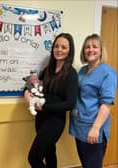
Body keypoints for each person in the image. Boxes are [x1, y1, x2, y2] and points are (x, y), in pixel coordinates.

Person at [24, 33, 78, 168]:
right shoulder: (47, 70)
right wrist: (26, 92)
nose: (59, 50)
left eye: (64, 47)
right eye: (57, 46)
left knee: (33, 158)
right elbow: (32, 84)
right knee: (49, 153)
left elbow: (70, 103)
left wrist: (44, 107)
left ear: (69, 51)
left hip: (54, 122)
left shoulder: (71, 74)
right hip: (41, 119)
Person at [69, 34, 117, 168]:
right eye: (87, 47)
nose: (91, 50)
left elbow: (106, 104)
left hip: (93, 128)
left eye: (95, 46)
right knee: (85, 164)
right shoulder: (83, 70)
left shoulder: (108, 73)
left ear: (101, 51)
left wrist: (95, 128)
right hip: (80, 126)